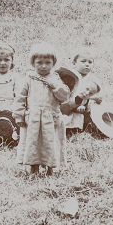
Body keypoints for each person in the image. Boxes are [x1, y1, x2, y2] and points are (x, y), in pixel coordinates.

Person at [15, 42, 70, 175]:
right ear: (33, 63)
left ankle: (50, 168)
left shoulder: (55, 79)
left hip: (50, 118)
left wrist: (55, 86)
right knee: (33, 143)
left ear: (53, 63)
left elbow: (64, 97)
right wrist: (19, 115)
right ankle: (33, 168)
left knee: (49, 143)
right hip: (33, 118)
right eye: (39, 62)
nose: (44, 66)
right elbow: (20, 97)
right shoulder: (29, 79)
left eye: (48, 62)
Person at [63, 49, 102, 134]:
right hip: (68, 105)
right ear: (74, 63)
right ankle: (68, 129)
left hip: (83, 107)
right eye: (83, 61)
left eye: (90, 62)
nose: (87, 64)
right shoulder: (70, 77)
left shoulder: (92, 80)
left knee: (87, 112)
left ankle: (88, 126)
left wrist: (94, 98)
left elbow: (93, 94)